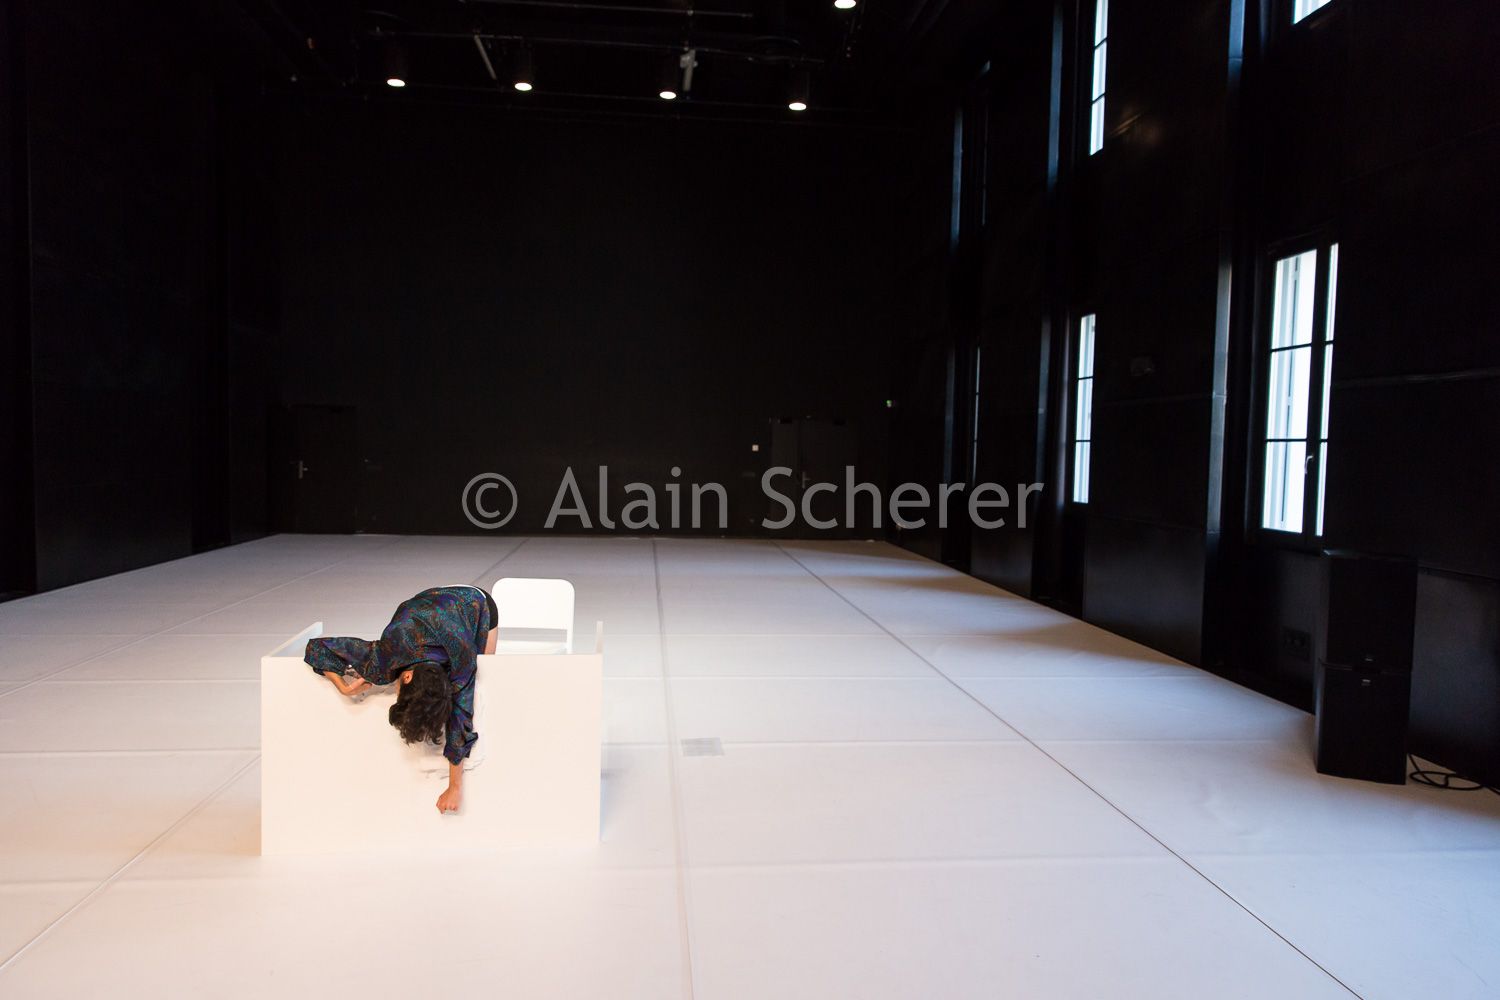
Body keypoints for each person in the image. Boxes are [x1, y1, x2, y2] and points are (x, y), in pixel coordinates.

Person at [304, 585, 498, 814]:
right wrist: (343, 688)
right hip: (430, 603)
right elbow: (317, 648)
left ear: (407, 677)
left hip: (475, 601)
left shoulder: (461, 656)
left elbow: (461, 718)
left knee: (484, 673)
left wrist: (454, 787)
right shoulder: (385, 656)